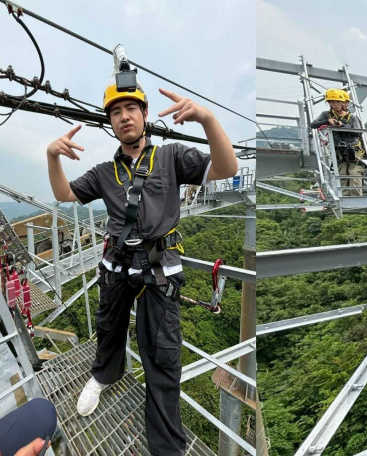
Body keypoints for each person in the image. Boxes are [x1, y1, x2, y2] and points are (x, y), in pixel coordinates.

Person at [45, 48, 238, 455]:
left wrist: (207, 119)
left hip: (159, 266)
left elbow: (227, 169)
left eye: (132, 108)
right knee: (109, 325)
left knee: (162, 352)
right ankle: (102, 375)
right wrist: (51, 157)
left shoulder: (171, 157)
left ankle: (166, 446)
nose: (125, 116)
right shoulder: (103, 172)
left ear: (145, 115)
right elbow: (63, 194)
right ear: (111, 123)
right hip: (116, 261)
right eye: (116, 112)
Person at [310, 88, 365, 196]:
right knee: (342, 173)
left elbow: (358, 133)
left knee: (354, 172)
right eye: (332, 102)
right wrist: (327, 121)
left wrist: (342, 125)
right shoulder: (327, 115)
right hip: (339, 150)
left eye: (338, 102)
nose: (335, 104)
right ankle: (345, 196)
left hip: (353, 148)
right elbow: (313, 125)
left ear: (344, 103)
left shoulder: (352, 117)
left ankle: (356, 196)